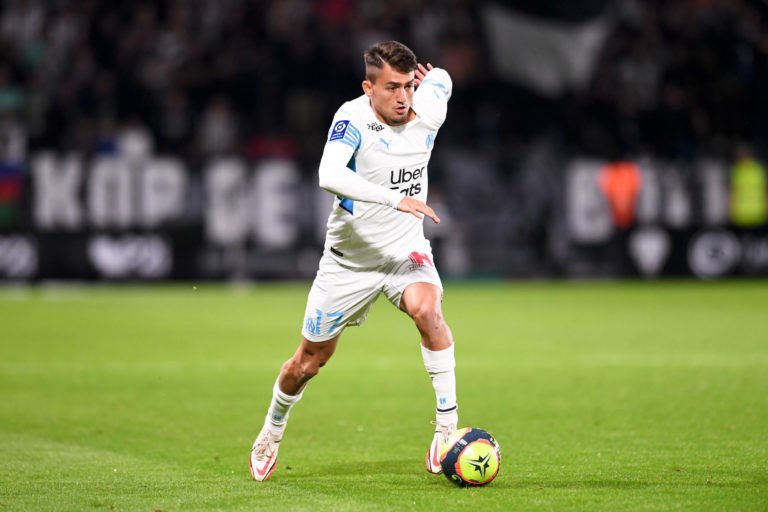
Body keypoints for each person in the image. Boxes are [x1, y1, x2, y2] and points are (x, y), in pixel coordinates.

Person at [249, 41, 457, 481]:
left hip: (404, 251)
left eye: (408, 86)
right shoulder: (352, 118)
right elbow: (329, 174)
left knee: (428, 311)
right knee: (308, 363)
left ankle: (446, 429)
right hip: (349, 262)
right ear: (368, 88)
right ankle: (272, 427)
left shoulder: (429, 108)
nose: (403, 97)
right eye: (391, 87)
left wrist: (435, 79)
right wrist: (394, 199)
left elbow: (442, 80)